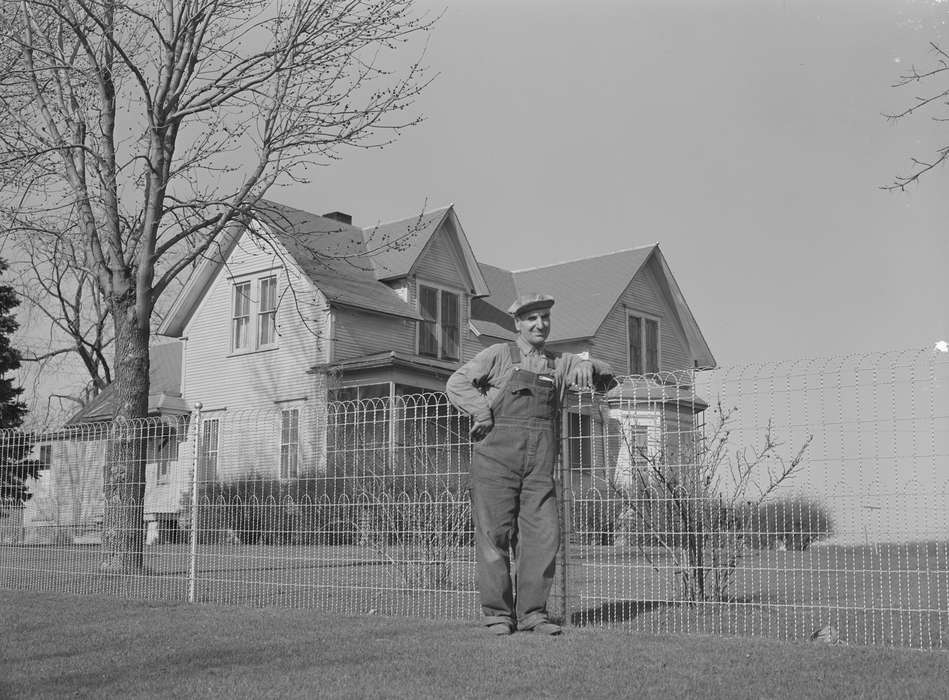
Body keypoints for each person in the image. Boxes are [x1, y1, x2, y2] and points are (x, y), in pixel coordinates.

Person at [446, 293, 612, 636]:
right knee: (494, 536)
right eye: (532, 318)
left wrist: (588, 364)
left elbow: (609, 377)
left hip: (539, 467)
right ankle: (498, 615)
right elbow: (457, 382)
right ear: (517, 324)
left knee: (542, 537)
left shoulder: (559, 364)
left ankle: (534, 615)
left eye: (545, 318)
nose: (540, 324)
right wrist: (481, 411)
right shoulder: (498, 355)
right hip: (494, 460)